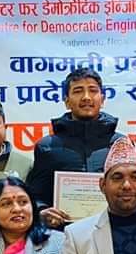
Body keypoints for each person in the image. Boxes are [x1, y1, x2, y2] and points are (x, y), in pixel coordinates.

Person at [25, 69, 122, 229]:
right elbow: (35, 196)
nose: (86, 97)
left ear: (102, 99)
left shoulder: (120, 144)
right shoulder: (47, 147)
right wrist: (42, 211)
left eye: (93, 90)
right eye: (78, 91)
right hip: (64, 233)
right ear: (67, 101)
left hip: (115, 231)